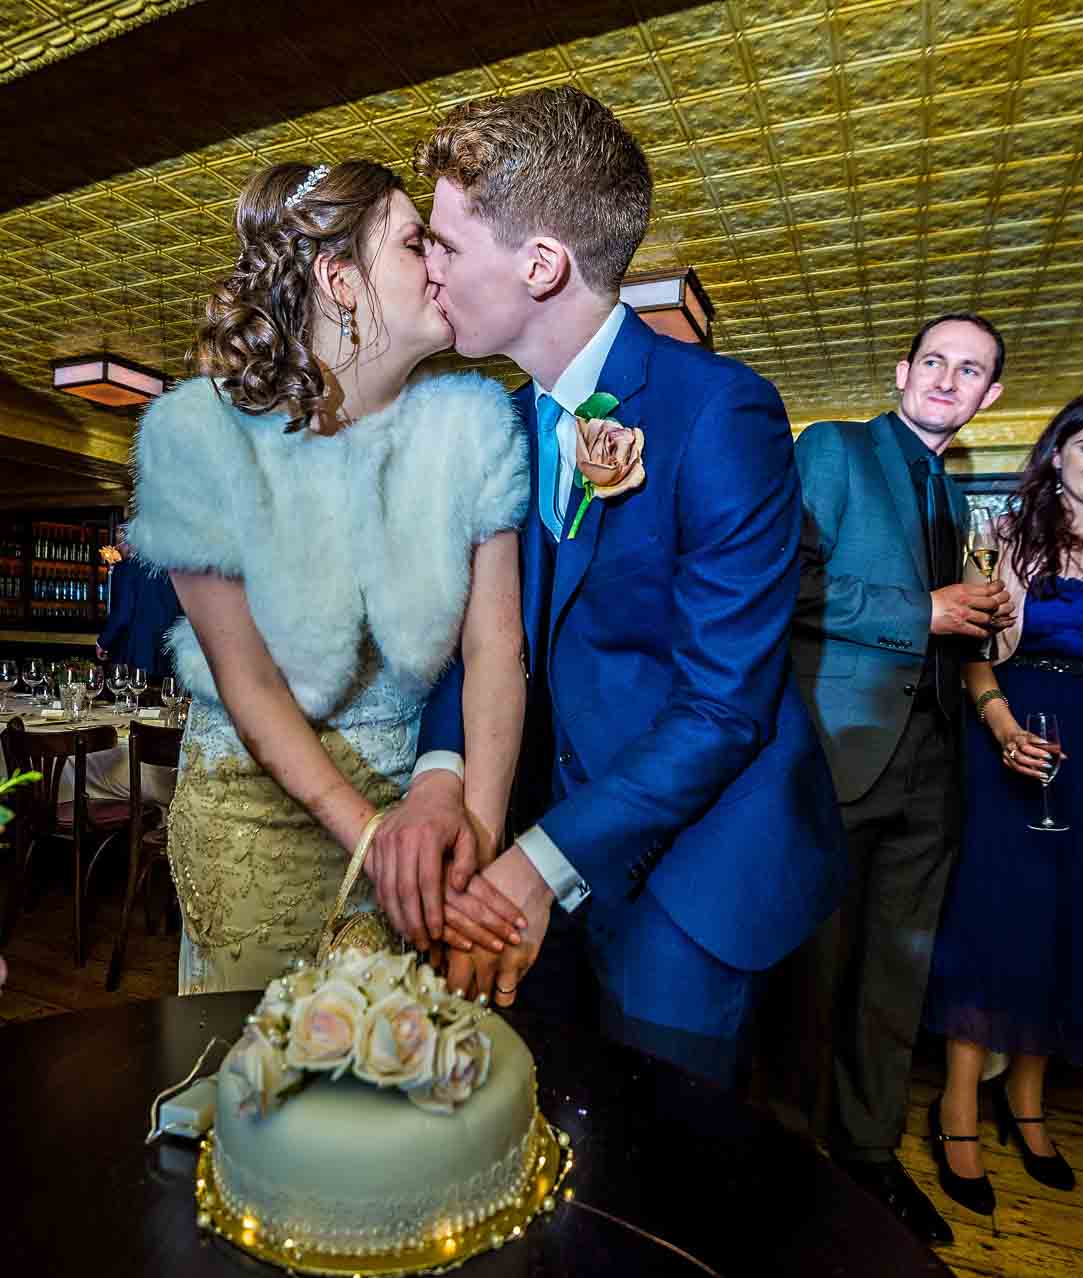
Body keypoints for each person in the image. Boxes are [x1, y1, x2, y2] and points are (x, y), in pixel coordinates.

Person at [382, 86, 847, 1089]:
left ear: (540, 265)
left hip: (694, 873)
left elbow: (725, 708)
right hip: (546, 845)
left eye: (448, 246)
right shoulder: (500, 424)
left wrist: (540, 860)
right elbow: (489, 642)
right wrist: (440, 776)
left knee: (664, 1169)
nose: (432, 269)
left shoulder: (719, 412)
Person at [125, 159, 529, 994]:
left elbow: (496, 653)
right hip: (256, 823)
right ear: (341, 279)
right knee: (261, 1088)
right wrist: (371, 837)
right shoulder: (197, 435)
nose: (442, 262)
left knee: (397, 1089)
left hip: (422, 834)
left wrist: (472, 847)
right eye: (419, 243)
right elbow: (251, 684)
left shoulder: (475, 425)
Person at [923, 392, 1083, 1217]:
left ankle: (1028, 1103)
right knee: (998, 914)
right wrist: (1002, 727)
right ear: (1059, 451)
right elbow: (974, 655)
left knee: (1072, 918)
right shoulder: (1006, 534)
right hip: (1015, 730)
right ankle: (958, 1104)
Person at [786, 313, 1015, 1245]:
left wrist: (979, 626)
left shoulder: (956, 502)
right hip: (839, 754)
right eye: (935, 363)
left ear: (989, 397)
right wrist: (923, 608)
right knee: (812, 980)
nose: (948, 381)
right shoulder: (833, 450)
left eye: (971, 372)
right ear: (902, 371)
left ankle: (871, 1158)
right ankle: (794, 1170)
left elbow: (954, 635)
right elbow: (784, 583)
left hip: (932, 765)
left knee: (896, 976)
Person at [95, 543, 182, 675]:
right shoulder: (174, 568)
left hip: (136, 652)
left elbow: (123, 614)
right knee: (162, 693)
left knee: (134, 692)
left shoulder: (127, 567)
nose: (116, 547)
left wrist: (103, 642)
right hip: (169, 652)